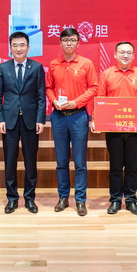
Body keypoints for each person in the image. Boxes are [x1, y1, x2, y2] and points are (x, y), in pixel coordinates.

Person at [91, 41, 137, 215]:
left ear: (133, 55)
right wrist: (95, 119)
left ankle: (131, 200)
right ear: (115, 55)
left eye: (129, 52)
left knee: (132, 166)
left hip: (134, 128)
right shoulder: (107, 74)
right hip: (113, 127)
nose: (125, 55)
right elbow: (100, 98)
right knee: (116, 166)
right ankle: (115, 200)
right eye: (122, 52)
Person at [46, 28, 98, 217]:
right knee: (61, 161)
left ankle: (80, 200)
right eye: (65, 40)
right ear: (60, 43)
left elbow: (94, 88)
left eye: (72, 40)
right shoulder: (54, 64)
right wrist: (54, 101)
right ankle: (63, 197)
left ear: (78, 43)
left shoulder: (86, 63)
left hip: (78, 116)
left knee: (79, 162)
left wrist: (76, 102)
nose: (69, 43)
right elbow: (49, 87)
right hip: (59, 116)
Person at [0, 32, 46, 214]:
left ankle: (30, 199)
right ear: (10, 48)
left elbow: (41, 96)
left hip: (30, 121)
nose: (18, 48)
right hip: (9, 121)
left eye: (22, 45)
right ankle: (12, 199)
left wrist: (40, 119)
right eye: (15, 45)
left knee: (30, 162)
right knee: (10, 161)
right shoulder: (3, 68)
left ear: (28, 48)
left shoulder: (37, 67)